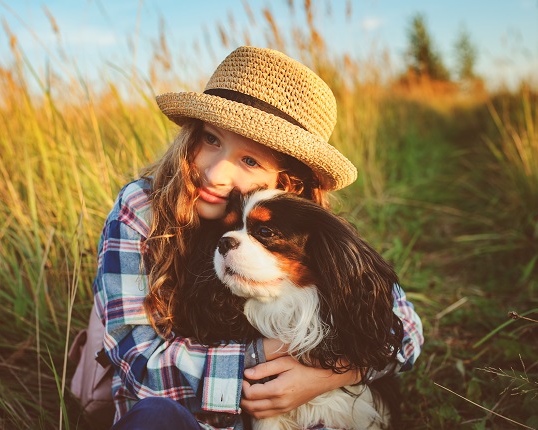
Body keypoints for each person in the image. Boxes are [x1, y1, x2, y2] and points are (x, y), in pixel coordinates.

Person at [92, 46, 424, 430]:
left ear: (286, 182)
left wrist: (329, 375)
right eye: (211, 140)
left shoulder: (303, 226)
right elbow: (140, 366)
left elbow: (405, 330)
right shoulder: (142, 208)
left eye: (250, 161)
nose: (215, 173)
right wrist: (273, 355)